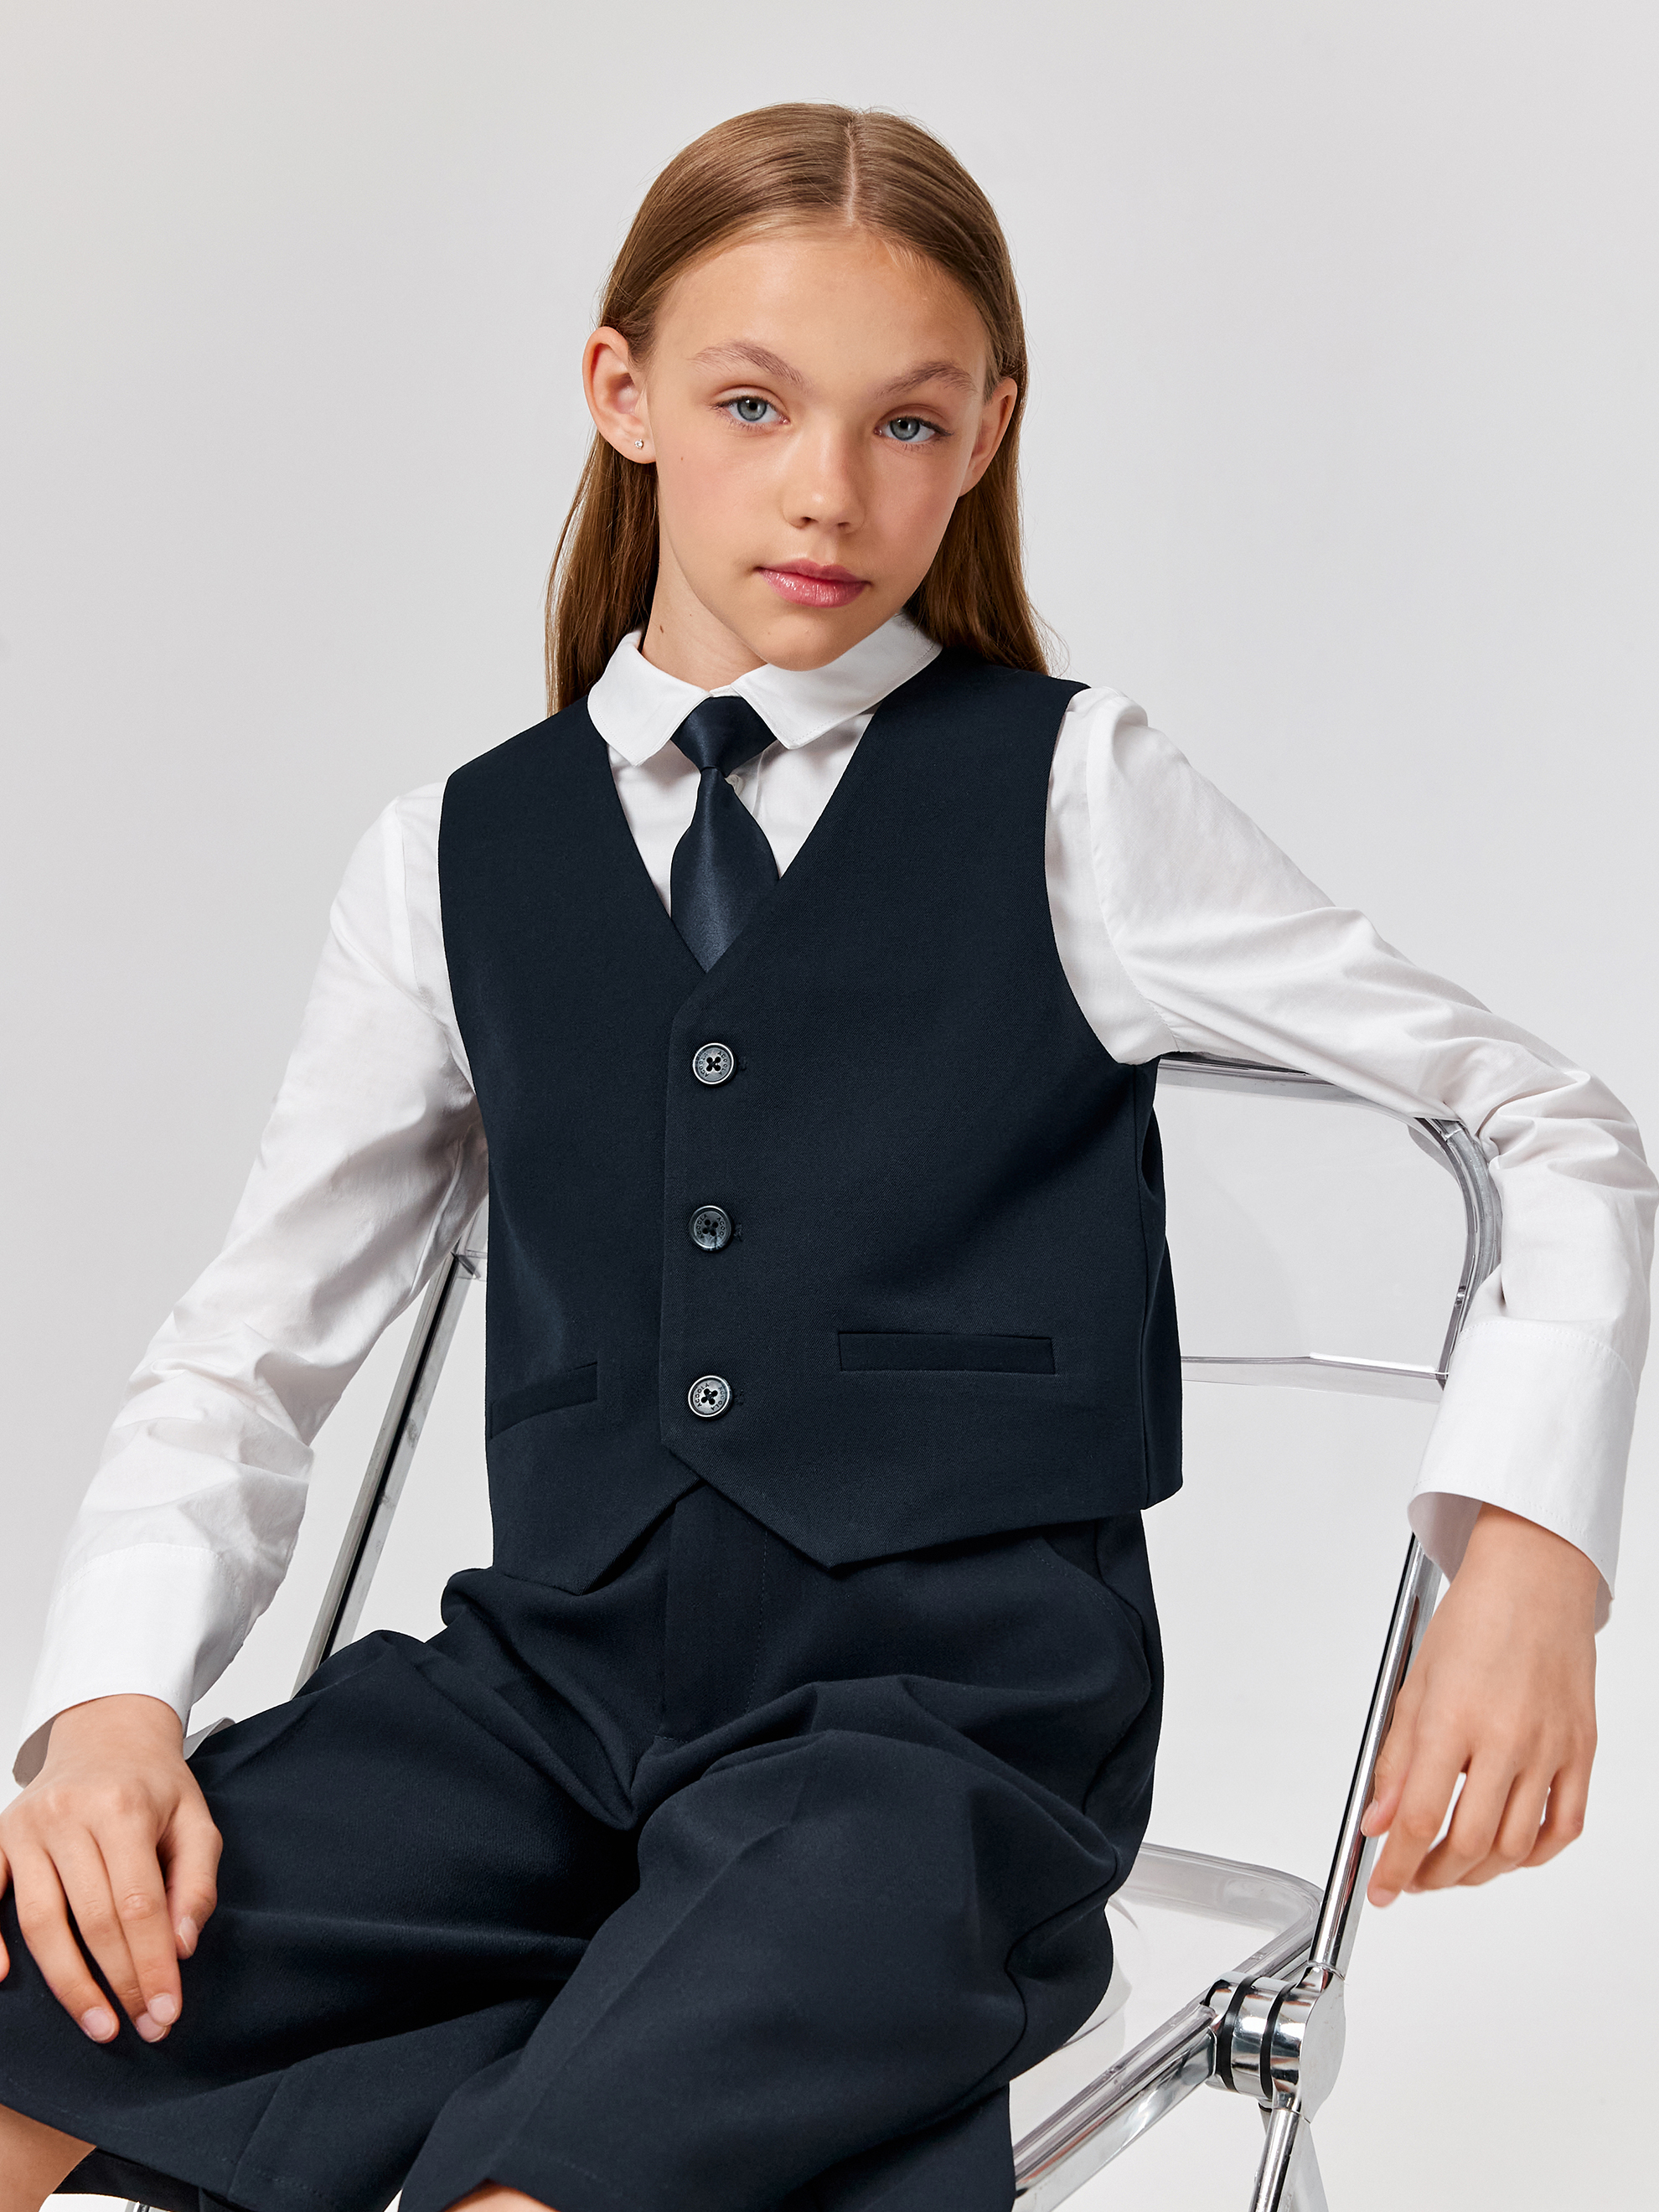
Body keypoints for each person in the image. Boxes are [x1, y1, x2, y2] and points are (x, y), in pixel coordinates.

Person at [0, 101, 1650, 2212]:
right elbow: (249, 1346)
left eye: (907, 423)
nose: (827, 490)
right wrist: (111, 1706)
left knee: (562, 2178)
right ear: (622, 395)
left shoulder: (1073, 793)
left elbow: (1545, 1121)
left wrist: (1528, 1566)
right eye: (755, 404)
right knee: (53, 1990)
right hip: (542, 1713)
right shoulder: (451, 855)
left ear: (985, 437)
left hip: (937, 1757)